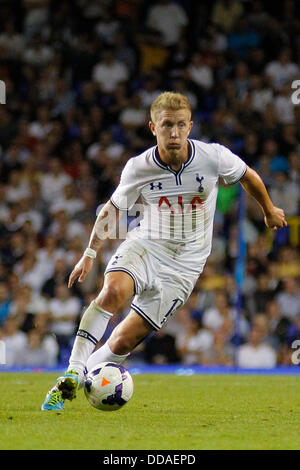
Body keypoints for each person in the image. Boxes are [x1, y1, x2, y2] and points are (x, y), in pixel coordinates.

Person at [41, 91, 287, 410]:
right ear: (153, 127)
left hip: (186, 265)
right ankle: (71, 374)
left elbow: (247, 176)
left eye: (181, 125)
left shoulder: (212, 156)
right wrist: (89, 253)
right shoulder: (138, 167)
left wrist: (268, 210)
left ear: (190, 126)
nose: (174, 132)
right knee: (113, 291)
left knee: (123, 341)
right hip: (147, 245)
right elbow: (112, 210)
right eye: (167, 125)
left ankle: (85, 378)